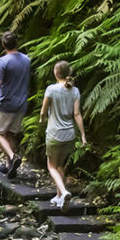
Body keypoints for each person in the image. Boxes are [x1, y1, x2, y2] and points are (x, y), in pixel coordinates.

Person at [42, 60, 89, 207]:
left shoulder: (51, 89)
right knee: (60, 165)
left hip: (54, 134)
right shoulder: (75, 91)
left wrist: (41, 119)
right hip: (69, 135)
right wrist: (82, 135)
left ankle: (64, 191)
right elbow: (77, 114)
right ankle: (59, 197)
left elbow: (43, 111)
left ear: (56, 73)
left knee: (51, 166)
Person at [0, 31, 31, 175]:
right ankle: (9, 167)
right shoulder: (27, 60)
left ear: (3, 45)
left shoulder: (3, 61)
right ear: (16, 43)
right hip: (21, 103)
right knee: (11, 133)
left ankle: (12, 156)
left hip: (6, 103)